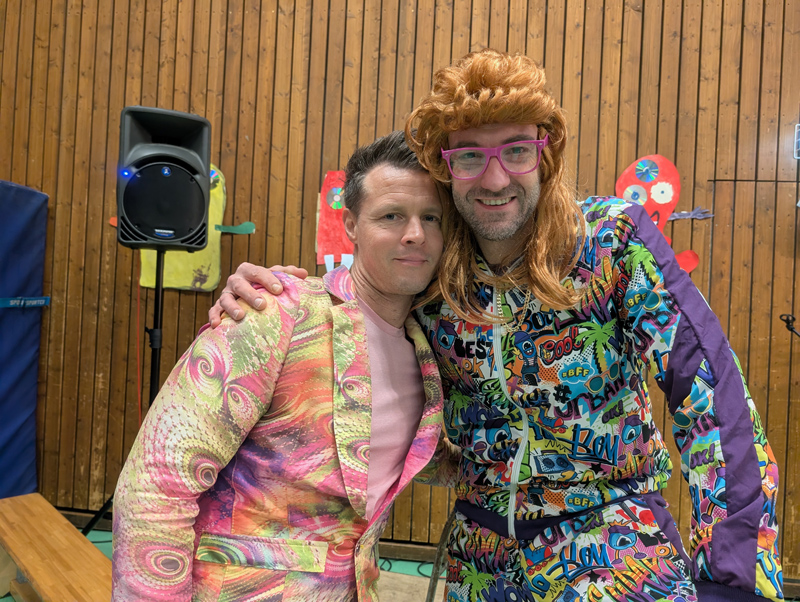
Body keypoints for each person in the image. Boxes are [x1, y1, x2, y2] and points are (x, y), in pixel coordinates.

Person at [211, 50, 783, 602]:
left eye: (516, 150)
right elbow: (357, 305)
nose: (493, 178)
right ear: (446, 166)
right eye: (469, 157)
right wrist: (274, 296)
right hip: (479, 562)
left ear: (545, 152)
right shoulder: (434, 272)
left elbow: (712, 398)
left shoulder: (613, 243)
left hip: (613, 548)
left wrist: (732, 578)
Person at [112, 131, 459, 601]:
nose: (415, 233)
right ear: (351, 224)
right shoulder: (275, 312)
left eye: (430, 217)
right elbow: (155, 487)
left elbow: (418, 458)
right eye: (392, 215)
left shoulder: (426, 349)